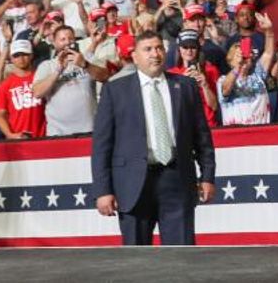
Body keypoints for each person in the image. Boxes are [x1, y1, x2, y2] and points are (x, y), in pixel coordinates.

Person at [91, 30, 217, 246]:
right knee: (137, 262)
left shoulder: (185, 86)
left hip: (177, 180)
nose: (155, 54)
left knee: (182, 258)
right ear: (135, 56)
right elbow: (102, 146)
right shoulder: (115, 90)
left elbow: (202, 137)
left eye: (159, 48)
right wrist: (103, 191)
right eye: (147, 49)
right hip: (132, 185)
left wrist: (207, 176)